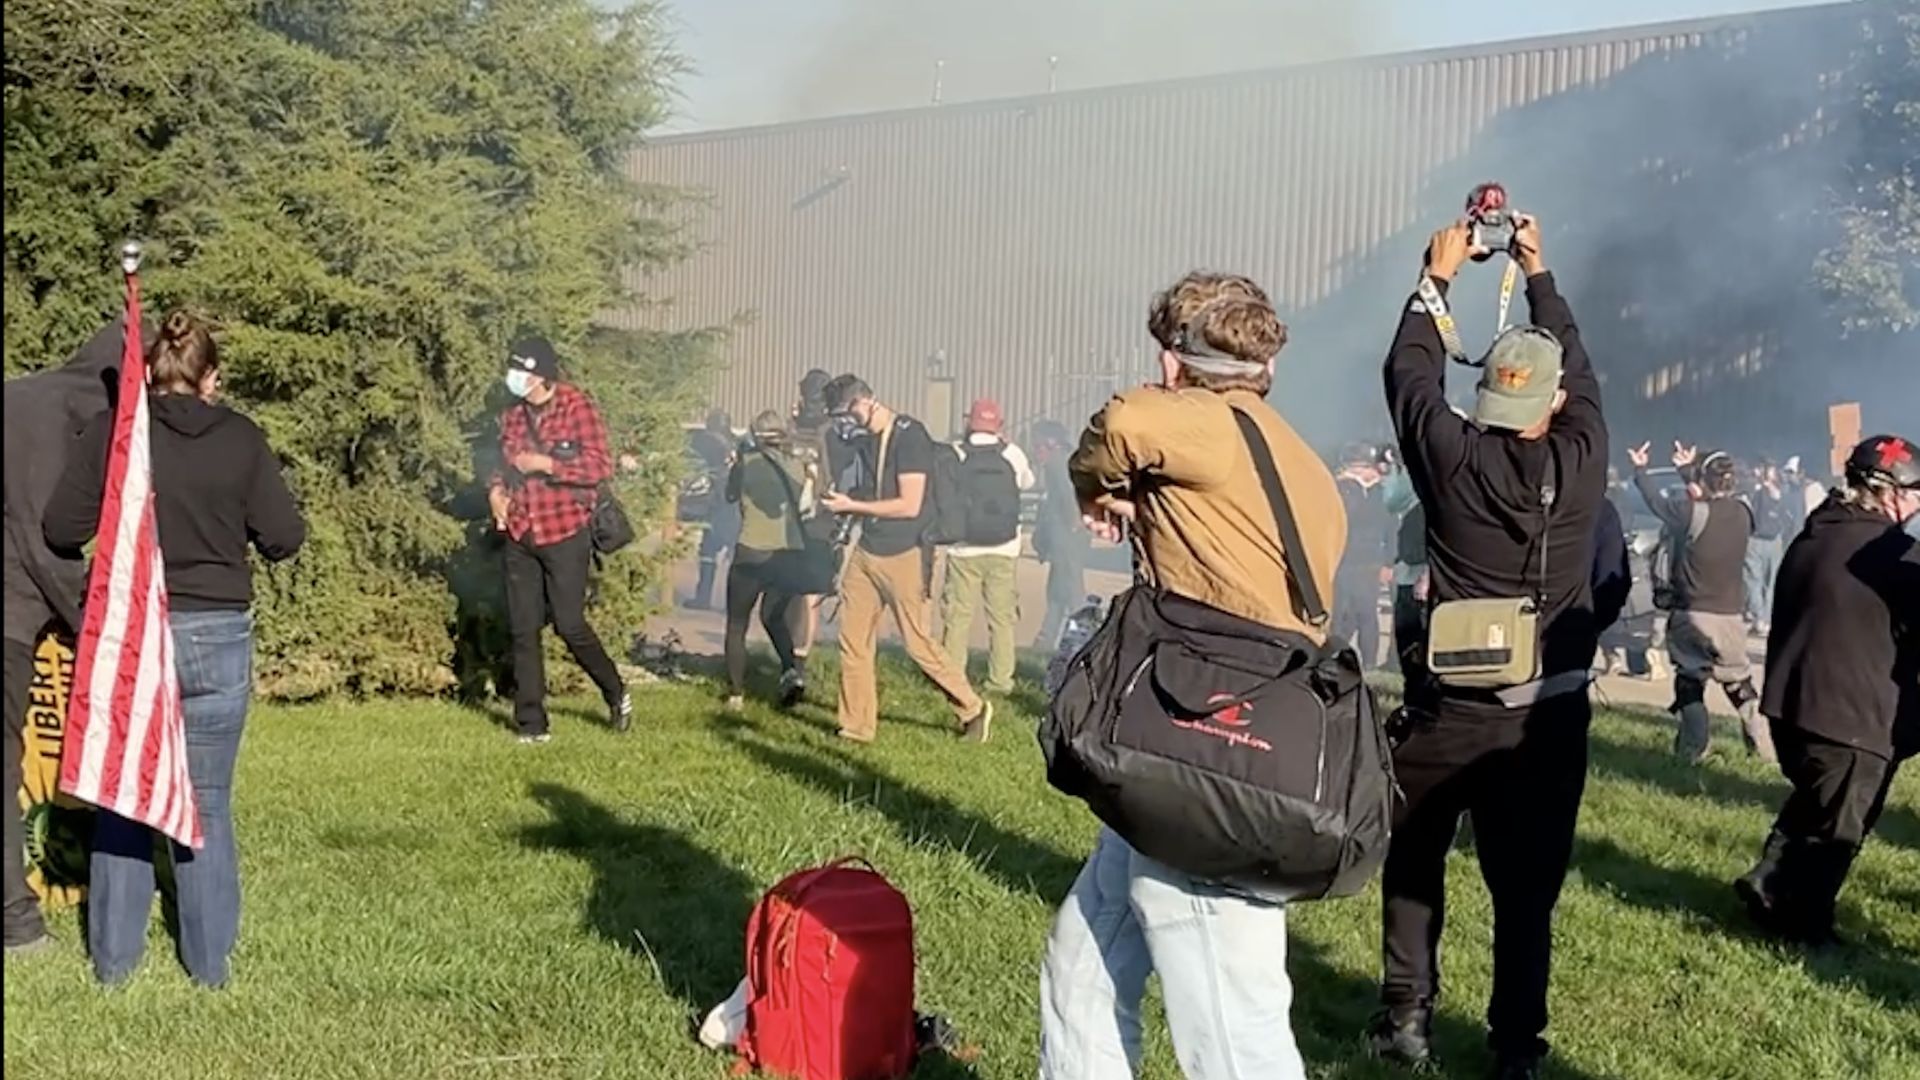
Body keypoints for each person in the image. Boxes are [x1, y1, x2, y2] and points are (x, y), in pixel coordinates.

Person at [1039, 271, 1345, 1080]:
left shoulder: (1196, 423)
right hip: (1215, 743)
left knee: (1230, 1026)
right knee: (1082, 961)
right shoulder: (1293, 460)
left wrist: (1095, 488)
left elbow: (1122, 421)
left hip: (1208, 753)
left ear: (1171, 362)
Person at [1374, 215, 1606, 1080]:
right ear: (1551, 406)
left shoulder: (1451, 457)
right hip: (1546, 716)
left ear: (1488, 401)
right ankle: (1516, 1049)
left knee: (1413, 860)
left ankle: (1405, 1021)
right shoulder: (1583, 457)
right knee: (1526, 893)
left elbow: (1409, 377)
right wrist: (1538, 273)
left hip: (1449, 709)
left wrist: (1436, 283)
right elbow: (1580, 371)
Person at [43, 311, 306, 986]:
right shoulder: (241, 437)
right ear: (211, 378)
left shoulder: (119, 433)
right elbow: (284, 536)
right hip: (216, 630)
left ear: (151, 374)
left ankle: (112, 966)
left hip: (137, 631)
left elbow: (62, 526)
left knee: (124, 795)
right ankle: (209, 965)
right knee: (207, 801)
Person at [1736, 434, 1918, 945]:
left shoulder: (1817, 533)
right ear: (1890, 492)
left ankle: (1766, 882)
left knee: (1814, 802)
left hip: (1794, 707)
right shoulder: (1894, 557)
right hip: (1852, 718)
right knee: (1838, 830)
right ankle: (1806, 927)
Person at [3, 317, 132, 955]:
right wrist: (98, 630)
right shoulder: (50, 419)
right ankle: (16, 924)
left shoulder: (33, 397)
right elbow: (48, 540)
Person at [818, 375, 990, 744]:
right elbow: (869, 488)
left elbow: (909, 504)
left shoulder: (910, 436)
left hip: (907, 552)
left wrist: (853, 506)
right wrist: (843, 502)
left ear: (867, 402)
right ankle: (856, 727)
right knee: (853, 641)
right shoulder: (863, 442)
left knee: (917, 643)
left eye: (845, 414)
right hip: (868, 550)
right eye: (836, 417)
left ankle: (972, 707)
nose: (842, 423)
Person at [487, 337, 632, 743]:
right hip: (520, 529)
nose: (516, 379)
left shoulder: (576, 407)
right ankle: (532, 724)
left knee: (570, 625)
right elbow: (501, 465)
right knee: (523, 628)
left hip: (565, 530)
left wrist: (548, 464)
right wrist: (495, 491)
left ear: (544, 376)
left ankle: (615, 691)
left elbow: (599, 466)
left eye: (525, 373)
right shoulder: (513, 415)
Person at [1631, 441, 1770, 764]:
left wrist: (1641, 469)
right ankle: (1763, 750)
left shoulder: (1691, 513)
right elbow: (1704, 496)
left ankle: (1693, 751)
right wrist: (1687, 471)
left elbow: (1656, 503)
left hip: (1692, 614)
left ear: (1702, 481)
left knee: (1690, 683)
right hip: (1731, 616)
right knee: (1739, 684)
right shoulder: (1744, 514)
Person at [939, 398, 1035, 694]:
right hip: (1003, 548)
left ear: (970, 422)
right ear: (1000, 425)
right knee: (1001, 619)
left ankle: (952, 680)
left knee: (958, 617)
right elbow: (1027, 483)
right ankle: (1000, 681)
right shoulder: (1012, 454)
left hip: (963, 548)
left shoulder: (956, 452)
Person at [721, 411, 814, 712]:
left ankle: (736, 693)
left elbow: (730, 496)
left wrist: (735, 464)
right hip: (790, 553)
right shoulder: (798, 466)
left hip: (752, 549)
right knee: (775, 617)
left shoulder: (746, 464)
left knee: (737, 623)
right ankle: (791, 671)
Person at [1031, 419, 1091, 649]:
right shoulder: (1065, 462)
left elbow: (1067, 499)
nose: (1036, 453)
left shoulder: (1058, 465)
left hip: (1068, 538)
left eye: (1038, 447)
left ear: (1050, 444)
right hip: (1065, 538)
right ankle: (1046, 639)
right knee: (1057, 592)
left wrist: (1072, 525)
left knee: (1072, 591)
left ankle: (1083, 639)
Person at [1334, 443, 1392, 668]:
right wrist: (1351, 484)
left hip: (1369, 561)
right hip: (1345, 559)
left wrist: (1388, 561)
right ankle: (1336, 657)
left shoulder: (1380, 493)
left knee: (1367, 615)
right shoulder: (1345, 490)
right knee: (1341, 615)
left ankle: (1369, 664)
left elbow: (1389, 527)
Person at [688, 408, 740, 610]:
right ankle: (734, 602)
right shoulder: (738, 442)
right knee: (733, 553)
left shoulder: (706, 441)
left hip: (717, 503)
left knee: (708, 551)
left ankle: (703, 598)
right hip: (735, 506)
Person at [1744, 458, 1791, 635]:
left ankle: (1761, 618)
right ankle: (1764, 618)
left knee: (1757, 581)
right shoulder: (1775, 489)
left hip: (1759, 539)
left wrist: (1763, 484)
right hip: (1769, 539)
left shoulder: (1756, 489)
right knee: (1764, 581)